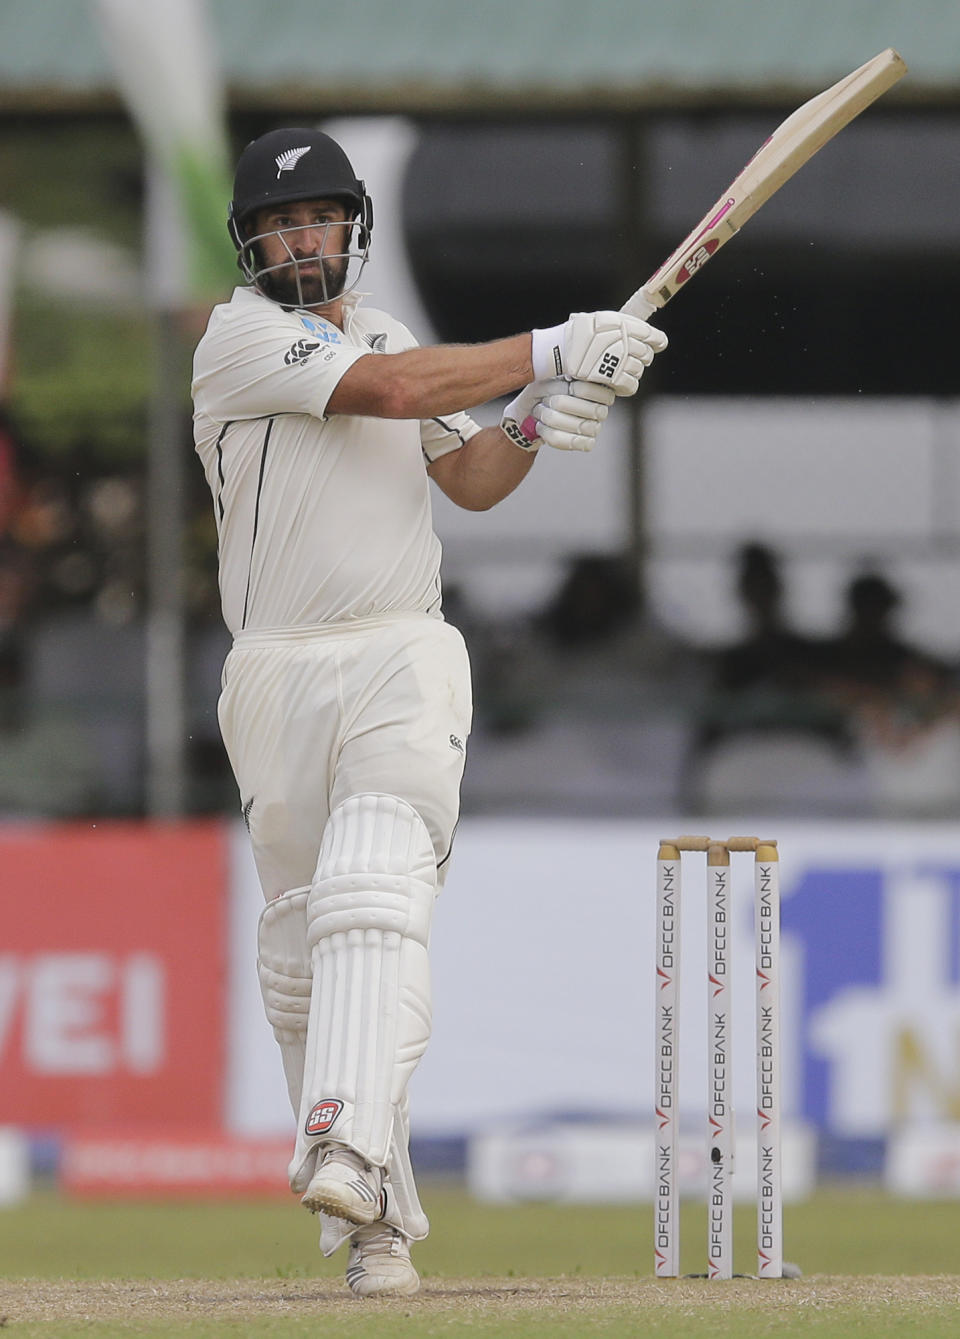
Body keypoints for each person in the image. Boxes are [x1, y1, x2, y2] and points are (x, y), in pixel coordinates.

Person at [191, 126, 667, 1298]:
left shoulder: (395, 330)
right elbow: (393, 394)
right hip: (275, 668)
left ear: (352, 225)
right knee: (306, 955)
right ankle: (377, 1225)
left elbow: (470, 479)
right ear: (250, 243)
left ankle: (342, 1141)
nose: (301, 241)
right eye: (278, 226)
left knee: (375, 890)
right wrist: (550, 347)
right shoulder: (240, 338)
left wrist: (537, 416)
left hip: (402, 650)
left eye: (318, 221)